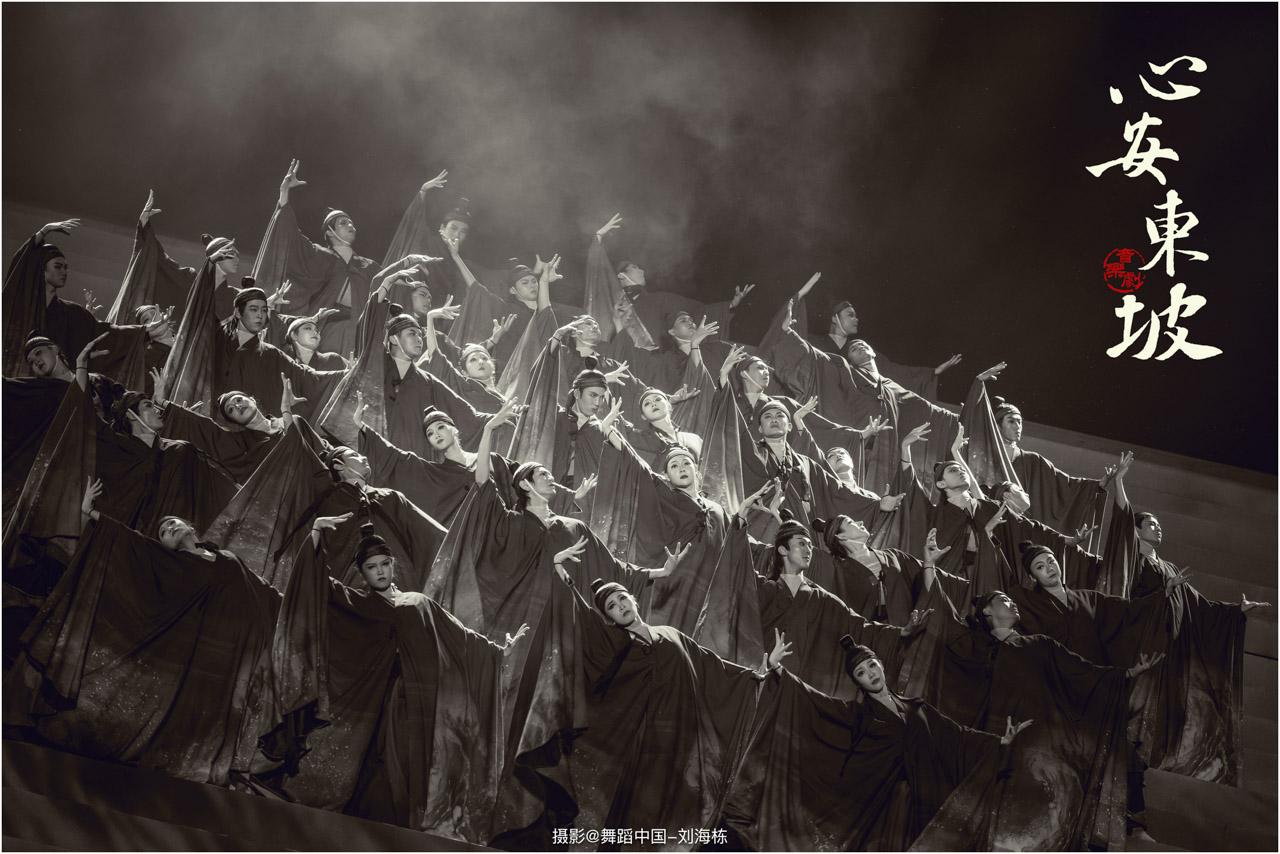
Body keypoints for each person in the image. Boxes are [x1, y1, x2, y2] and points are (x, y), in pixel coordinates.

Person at [260, 513, 521, 841]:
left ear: (393, 564)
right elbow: (315, 586)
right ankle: (374, 836)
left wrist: (499, 652)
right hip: (384, 703)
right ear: (362, 573)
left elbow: (461, 638)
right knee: (382, 770)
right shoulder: (361, 603)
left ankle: (409, 833)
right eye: (372, 567)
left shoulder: (420, 603)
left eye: (384, 564)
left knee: (419, 766)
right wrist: (314, 534)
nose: (380, 571)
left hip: (424, 703)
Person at [4, 479, 279, 788]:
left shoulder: (230, 558)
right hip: (201, 656)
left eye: (174, 523)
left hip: (236, 655)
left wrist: (297, 600)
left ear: (191, 527)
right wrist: (90, 512)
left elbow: (264, 592)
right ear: (163, 547)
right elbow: (131, 542)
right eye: (163, 531)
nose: (170, 528)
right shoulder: (173, 563)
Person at [534, 560, 784, 848]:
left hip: (683, 745)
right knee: (638, 816)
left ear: (634, 599)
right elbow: (580, 616)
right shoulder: (616, 646)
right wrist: (560, 569)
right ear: (609, 619)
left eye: (622, 598)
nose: (620, 606)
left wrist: (762, 673)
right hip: (643, 751)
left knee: (682, 815)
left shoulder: (671, 634)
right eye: (612, 606)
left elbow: (714, 668)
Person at [919, 588, 1163, 850]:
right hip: (997, 739)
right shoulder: (977, 647)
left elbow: (1082, 672)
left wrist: (1128, 674)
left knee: (1115, 758)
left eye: (1012, 599)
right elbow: (943, 615)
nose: (1012, 603)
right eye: (1004, 600)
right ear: (987, 610)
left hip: (1043, 736)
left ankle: (1132, 826)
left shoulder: (1040, 644)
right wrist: (930, 569)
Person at [725, 638, 1019, 852]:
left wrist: (999, 741)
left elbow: (958, 735)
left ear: (880, 664)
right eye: (861, 673)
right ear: (858, 683)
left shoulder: (917, 708)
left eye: (871, 665)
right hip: (889, 810)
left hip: (928, 801)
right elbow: (817, 701)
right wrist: (778, 669)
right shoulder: (859, 717)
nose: (870, 674)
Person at [1126, 455, 1269, 786]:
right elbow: (1126, 599)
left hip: (1170, 653)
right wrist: (1162, 593)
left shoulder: (1170, 568)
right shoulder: (1130, 562)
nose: (1158, 528)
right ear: (1135, 530)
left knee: (1159, 718)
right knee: (1134, 713)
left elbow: (1197, 605)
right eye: (1151, 524)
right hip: (1143, 649)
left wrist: (1235, 610)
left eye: (1159, 524)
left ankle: (1141, 778)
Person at [251, 159, 440, 355]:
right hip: (328, 330)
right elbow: (288, 233)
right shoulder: (319, 255)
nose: (351, 226)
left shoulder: (367, 265)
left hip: (361, 334)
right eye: (343, 223)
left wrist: (410, 264)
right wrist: (284, 193)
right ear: (330, 231)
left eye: (351, 223)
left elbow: (387, 279)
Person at [2, 217, 160, 381]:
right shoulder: (20, 309)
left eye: (66, 267)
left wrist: (144, 331)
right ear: (42, 269)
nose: (64, 272)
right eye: (57, 266)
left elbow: (107, 334)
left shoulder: (72, 312)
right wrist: (44, 231)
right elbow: (19, 267)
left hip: (57, 390)